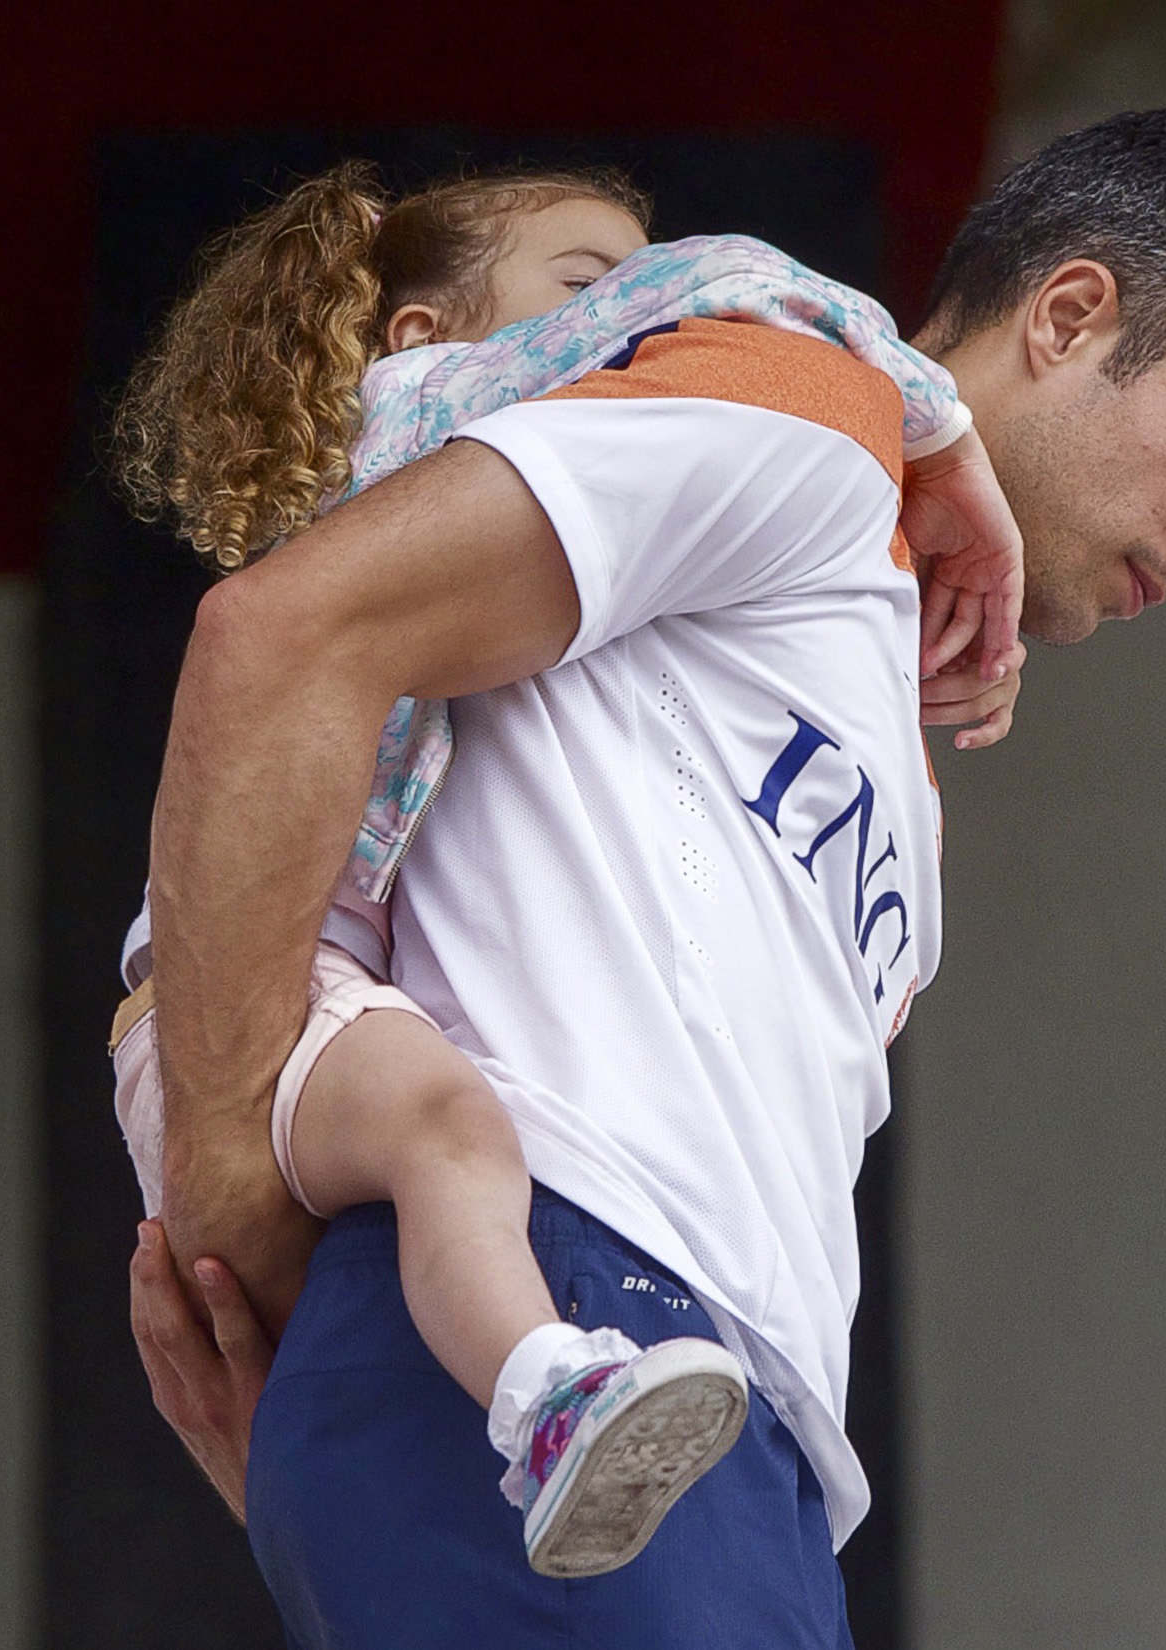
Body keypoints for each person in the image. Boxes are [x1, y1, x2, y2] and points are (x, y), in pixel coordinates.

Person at [130, 108, 1166, 1647]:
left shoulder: (898, 750)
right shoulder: (806, 411)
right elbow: (284, 639)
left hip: (743, 1469)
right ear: (1070, 316)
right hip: (576, 1285)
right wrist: (231, 1209)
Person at [106, 164, 1029, 1575]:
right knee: (452, 1137)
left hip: (723, 1375)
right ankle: (543, 1381)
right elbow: (735, 282)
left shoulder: (572, 477)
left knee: (443, 1143)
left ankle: (542, 1387)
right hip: (312, 1008)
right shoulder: (441, 407)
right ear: (423, 332)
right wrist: (933, 423)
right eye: (590, 281)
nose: (641, 306)